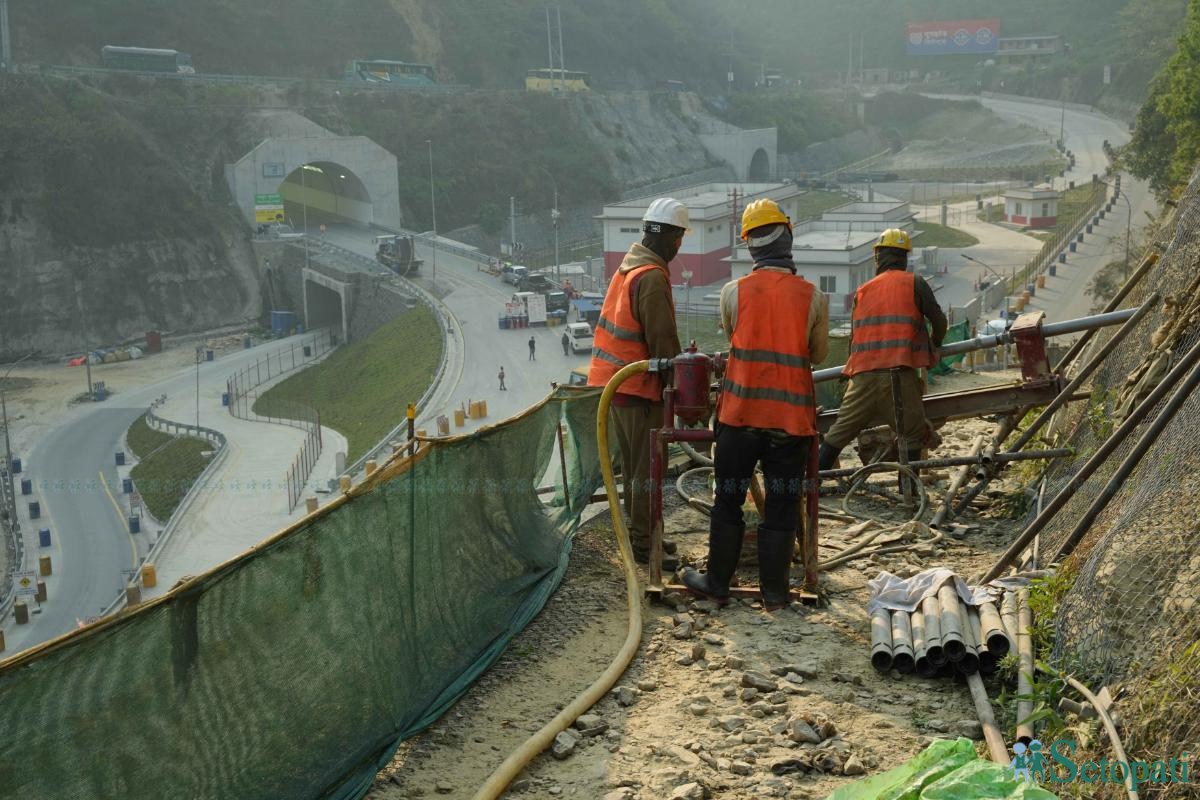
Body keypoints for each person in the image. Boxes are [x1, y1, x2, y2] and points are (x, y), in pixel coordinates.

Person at [681, 199, 828, 610]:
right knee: (782, 503)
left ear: (750, 247)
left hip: (739, 416)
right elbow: (816, 355)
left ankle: (716, 583)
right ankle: (776, 594)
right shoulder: (813, 297)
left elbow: (734, 338)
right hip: (790, 423)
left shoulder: (733, 292)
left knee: (728, 497)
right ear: (789, 236)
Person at [588, 197, 687, 570]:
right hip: (638, 387)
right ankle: (646, 546)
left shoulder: (627, 269)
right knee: (646, 471)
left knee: (634, 469)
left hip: (618, 386)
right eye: (679, 240)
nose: (679, 248)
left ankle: (645, 535)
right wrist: (680, 392)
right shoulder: (651, 277)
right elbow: (663, 343)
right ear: (672, 238)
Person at [818, 228, 947, 473]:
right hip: (899, 376)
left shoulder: (862, 290)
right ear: (904, 258)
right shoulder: (915, 283)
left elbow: (855, 339)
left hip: (862, 377)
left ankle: (810, 486)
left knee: (838, 433)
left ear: (877, 257)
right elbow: (939, 321)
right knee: (910, 434)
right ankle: (908, 496)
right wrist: (936, 345)